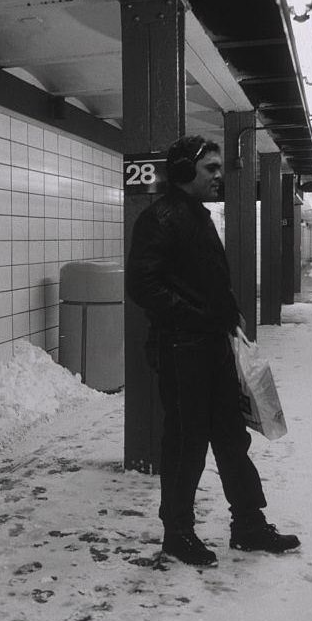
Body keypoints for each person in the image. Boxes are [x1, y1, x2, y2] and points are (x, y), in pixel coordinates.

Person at [125, 135, 300, 566]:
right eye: (211, 169)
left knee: (230, 436)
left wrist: (230, 312)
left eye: (220, 168)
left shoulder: (197, 217)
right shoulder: (160, 218)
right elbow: (142, 284)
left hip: (211, 346)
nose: (220, 176)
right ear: (185, 172)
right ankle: (177, 533)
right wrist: (198, 317)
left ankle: (248, 525)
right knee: (186, 443)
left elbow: (207, 280)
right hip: (181, 349)